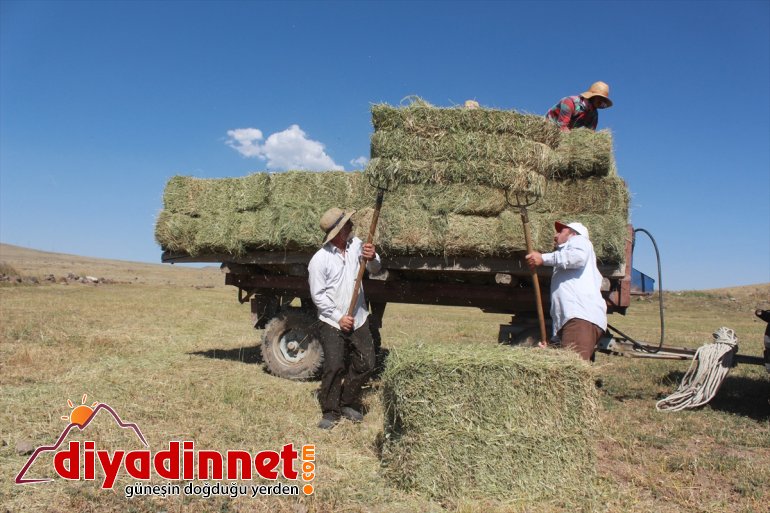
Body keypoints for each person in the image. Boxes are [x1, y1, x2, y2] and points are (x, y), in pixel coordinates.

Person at [308, 207, 381, 429]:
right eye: (347, 224)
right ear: (338, 232)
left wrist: (373, 257)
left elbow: (376, 269)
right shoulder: (320, 259)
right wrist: (339, 318)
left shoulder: (358, 245)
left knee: (367, 362)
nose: (351, 226)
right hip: (332, 321)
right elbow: (318, 296)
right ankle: (330, 411)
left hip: (358, 316)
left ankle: (348, 402)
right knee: (334, 365)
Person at [525, 221, 607, 361]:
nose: (555, 236)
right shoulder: (567, 257)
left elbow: (577, 257)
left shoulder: (580, 241)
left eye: (560, 231)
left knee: (572, 373)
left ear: (572, 233)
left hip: (579, 318)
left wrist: (543, 258)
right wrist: (554, 342)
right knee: (565, 370)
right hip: (574, 320)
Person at [546, 81, 613, 131]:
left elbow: (590, 133)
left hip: (569, 134)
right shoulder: (569, 102)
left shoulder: (594, 114)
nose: (602, 101)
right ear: (593, 96)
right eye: (600, 98)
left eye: (603, 99)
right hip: (550, 128)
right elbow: (561, 126)